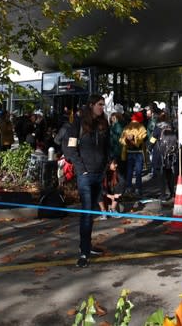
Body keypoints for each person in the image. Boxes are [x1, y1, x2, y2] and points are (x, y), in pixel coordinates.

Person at [61, 94, 110, 268]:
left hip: (98, 174)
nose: (102, 107)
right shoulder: (78, 124)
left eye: (103, 105)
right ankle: (84, 251)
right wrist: (82, 170)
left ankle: (87, 246)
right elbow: (71, 149)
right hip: (85, 175)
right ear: (91, 105)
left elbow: (107, 147)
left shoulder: (104, 124)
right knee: (87, 213)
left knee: (92, 212)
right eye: (99, 104)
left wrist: (105, 167)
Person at [120, 111, 148, 196]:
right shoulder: (141, 127)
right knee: (138, 172)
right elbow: (142, 138)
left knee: (129, 171)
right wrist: (135, 140)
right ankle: (138, 189)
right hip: (138, 153)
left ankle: (129, 188)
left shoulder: (127, 127)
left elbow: (121, 140)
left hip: (128, 153)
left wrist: (127, 140)